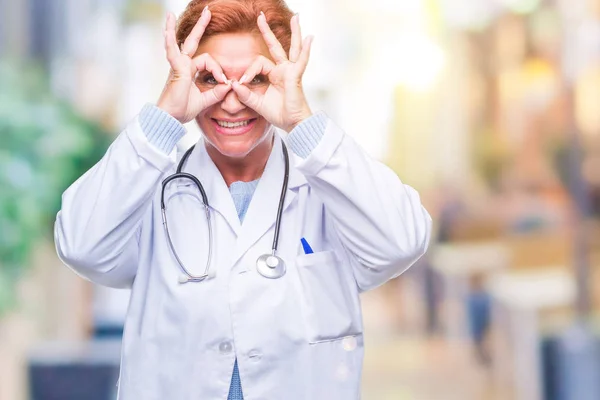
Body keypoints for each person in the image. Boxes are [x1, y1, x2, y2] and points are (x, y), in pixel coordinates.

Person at [54, 0, 432, 398]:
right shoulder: (150, 187)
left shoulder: (328, 188)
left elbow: (402, 241)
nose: (232, 102)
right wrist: (162, 117)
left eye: (256, 80)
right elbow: (80, 244)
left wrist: (303, 123)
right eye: (207, 78)